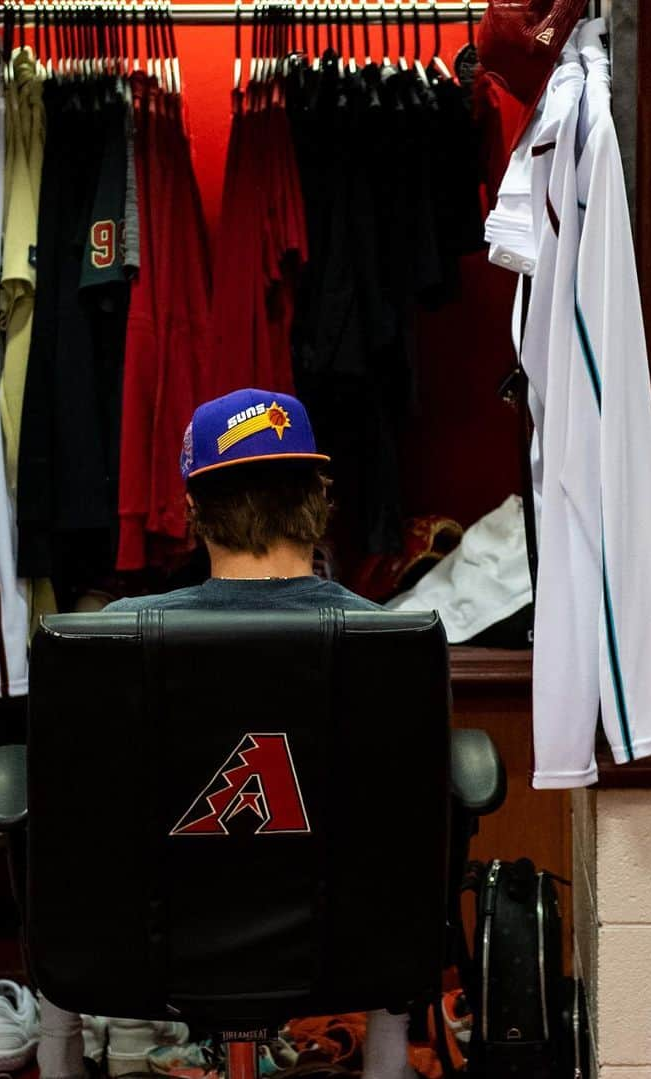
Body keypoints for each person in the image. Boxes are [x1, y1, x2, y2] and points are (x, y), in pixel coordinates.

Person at [40, 389, 416, 1079]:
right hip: (349, 953)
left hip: (142, 960)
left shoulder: (114, 636)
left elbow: (77, 815)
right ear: (320, 499)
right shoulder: (391, 642)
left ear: (191, 513)